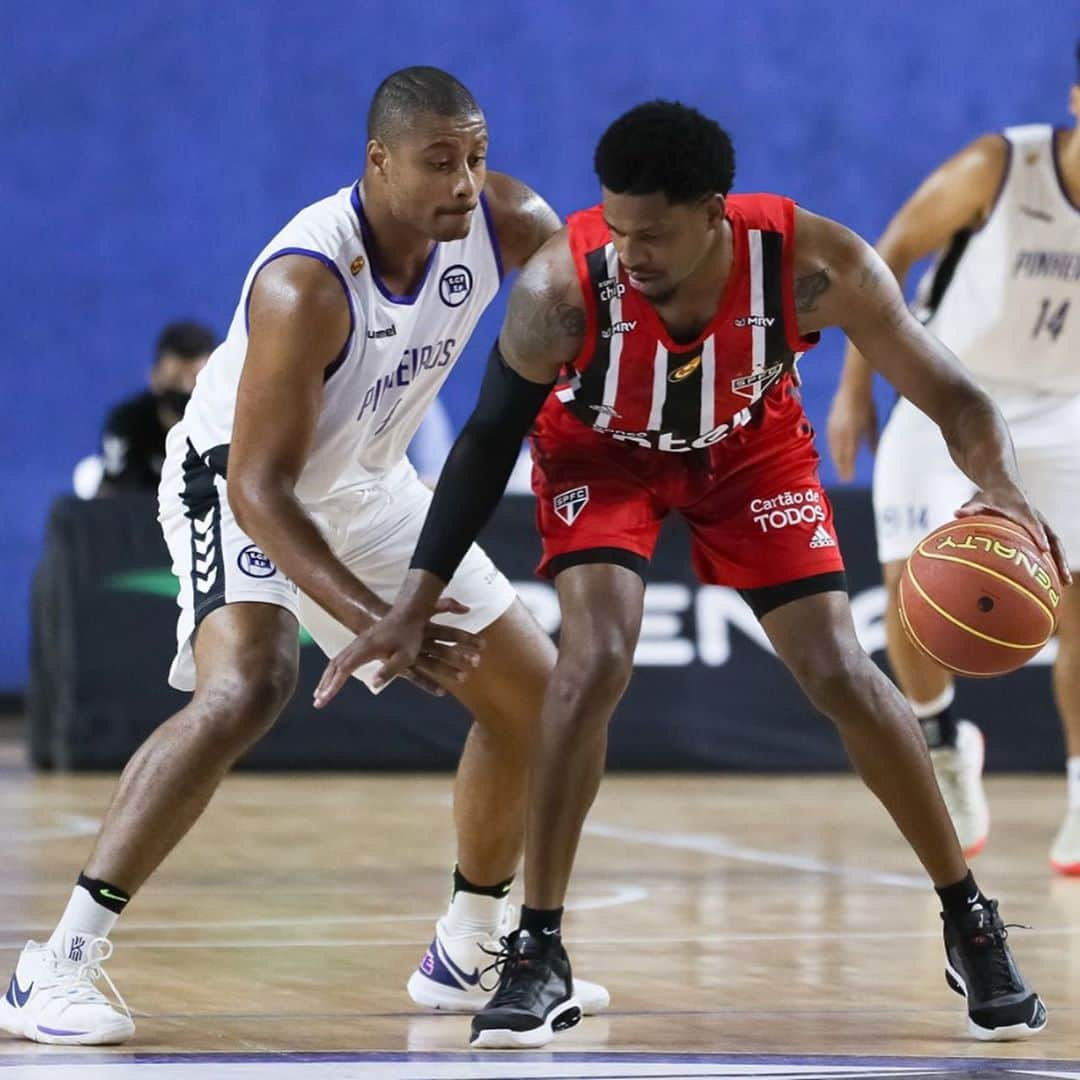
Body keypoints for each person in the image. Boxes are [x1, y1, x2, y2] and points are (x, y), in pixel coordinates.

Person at [316, 100, 1071, 1050]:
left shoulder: (812, 264)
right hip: (601, 455)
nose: (630, 252)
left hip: (750, 452)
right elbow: (485, 441)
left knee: (840, 668)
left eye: (655, 235)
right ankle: (538, 949)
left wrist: (1000, 486)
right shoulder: (560, 286)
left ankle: (971, 921)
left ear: (717, 212)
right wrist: (414, 598)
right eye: (619, 228)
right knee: (592, 662)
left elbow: (954, 394)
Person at [0, 66, 607, 1047]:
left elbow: (602, 293)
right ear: (377, 163)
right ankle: (54, 965)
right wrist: (377, 623)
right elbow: (257, 489)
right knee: (245, 687)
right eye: (439, 161)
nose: (464, 182)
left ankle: (465, 945)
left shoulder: (503, 222)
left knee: (532, 698)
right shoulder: (306, 283)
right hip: (235, 479)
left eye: (476, 157)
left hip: (367, 478)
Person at [827, 46, 1080, 870]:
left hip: (1066, 412)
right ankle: (942, 741)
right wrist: (855, 390)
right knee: (910, 596)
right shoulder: (1000, 168)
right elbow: (886, 256)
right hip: (951, 398)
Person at [97, 321, 216, 493]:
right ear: (154, 377)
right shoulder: (127, 423)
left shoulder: (230, 427)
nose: (185, 388)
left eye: (196, 380)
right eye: (175, 379)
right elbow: (111, 495)